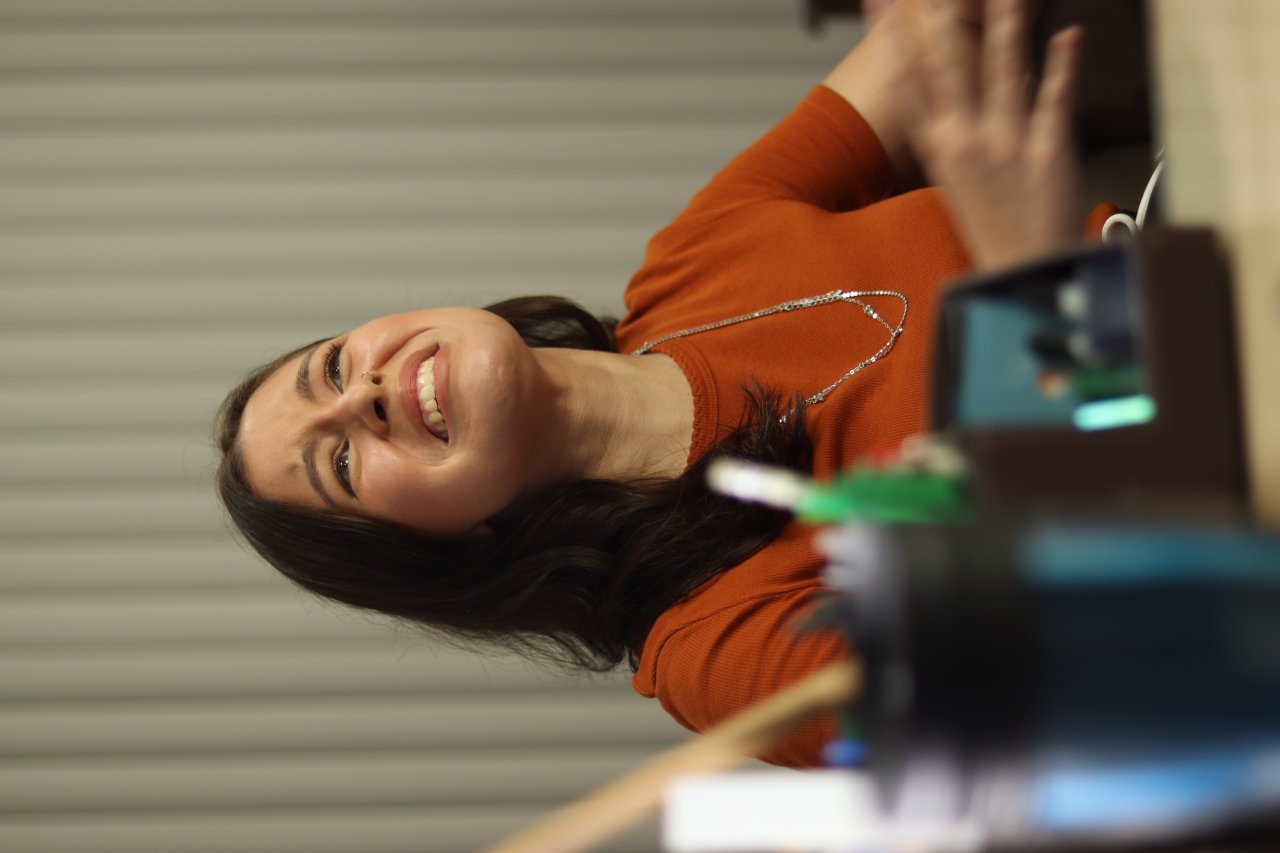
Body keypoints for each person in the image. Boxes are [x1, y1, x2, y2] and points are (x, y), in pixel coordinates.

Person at [216, 0, 1083, 767]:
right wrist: (1036, 287)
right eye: (340, 463)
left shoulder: (691, 259)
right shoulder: (709, 648)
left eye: (332, 366)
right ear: (441, 548)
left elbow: (937, 35)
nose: (359, 396)